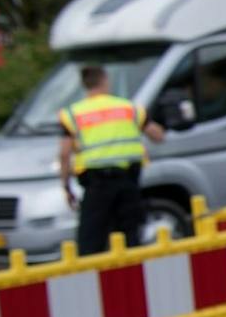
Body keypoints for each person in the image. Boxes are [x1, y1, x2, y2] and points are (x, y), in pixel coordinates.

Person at [58, 65, 165, 255]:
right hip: (128, 182)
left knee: (91, 243)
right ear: (105, 80)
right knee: (130, 240)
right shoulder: (129, 108)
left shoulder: (73, 114)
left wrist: (66, 187)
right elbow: (157, 135)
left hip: (96, 186)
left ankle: (92, 281)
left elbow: (65, 154)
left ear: (84, 85)